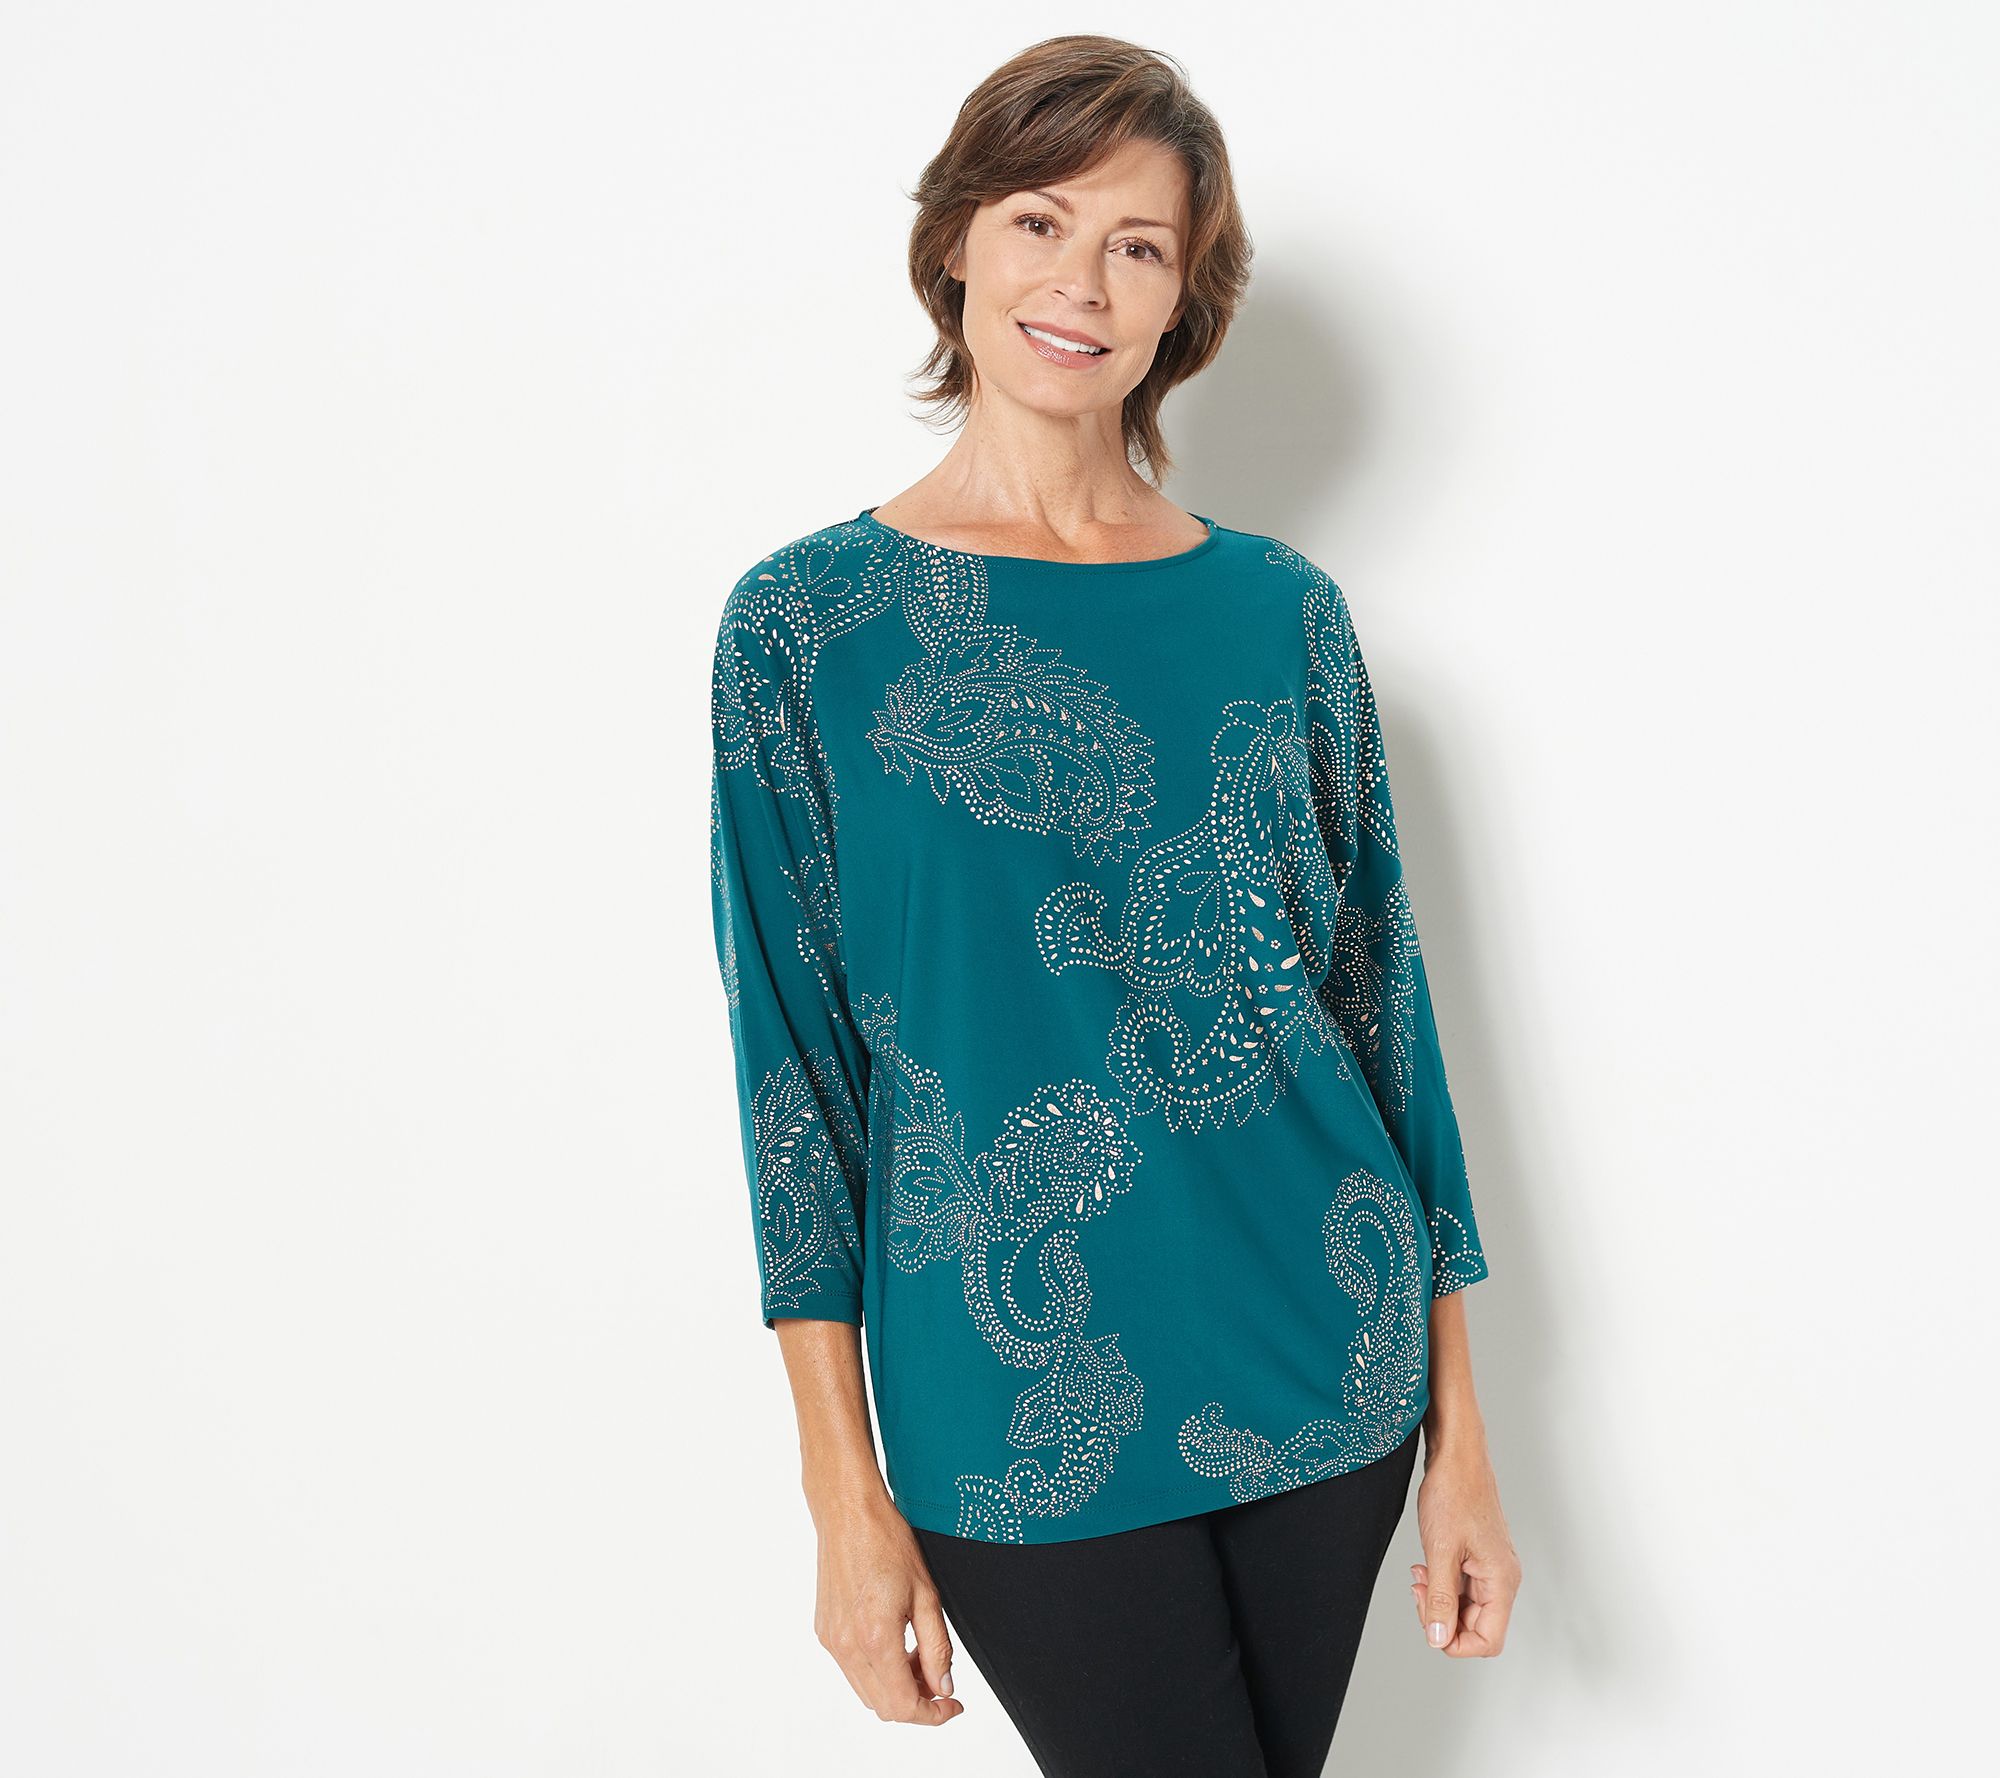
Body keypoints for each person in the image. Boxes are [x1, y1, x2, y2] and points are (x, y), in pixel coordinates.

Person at [706, 33, 1521, 1776]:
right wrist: (840, 1490)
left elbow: (1383, 1011)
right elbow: (795, 1078)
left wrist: (1465, 1433)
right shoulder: (804, 629)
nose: (1081, 280)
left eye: (1137, 246)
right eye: (1039, 221)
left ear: (1180, 306)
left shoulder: (1281, 612)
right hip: (1012, 1405)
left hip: (1328, 1361)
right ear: (955, 244)